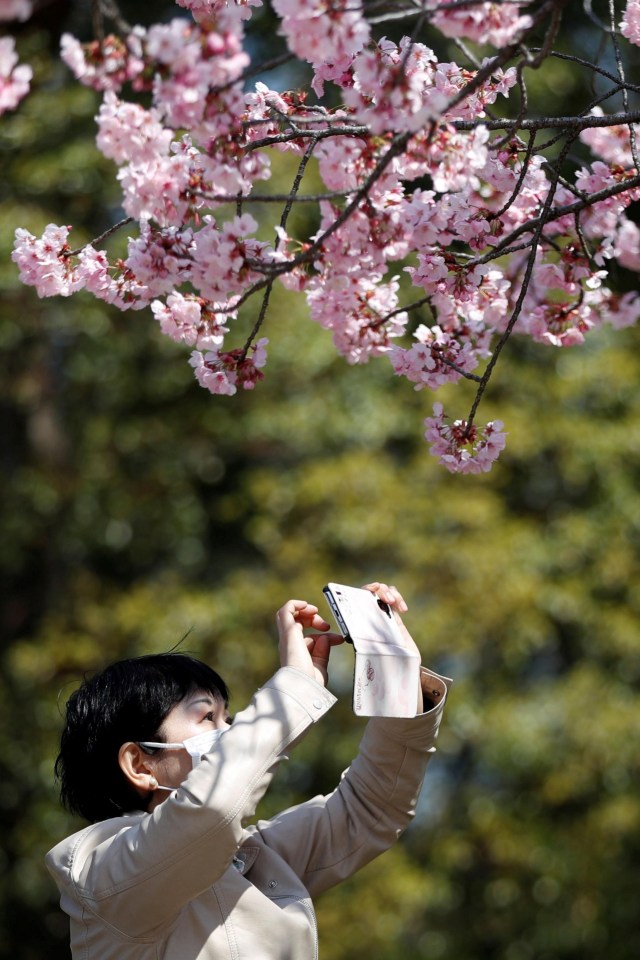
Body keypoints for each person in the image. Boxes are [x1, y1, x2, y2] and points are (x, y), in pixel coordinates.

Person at [47, 582, 450, 960]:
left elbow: (372, 809)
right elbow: (211, 811)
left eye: (231, 718)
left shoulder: (256, 856)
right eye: (207, 717)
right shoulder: (99, 873)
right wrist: (294, 687)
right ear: (140, 764)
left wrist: (396, 676)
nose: (231, 731)